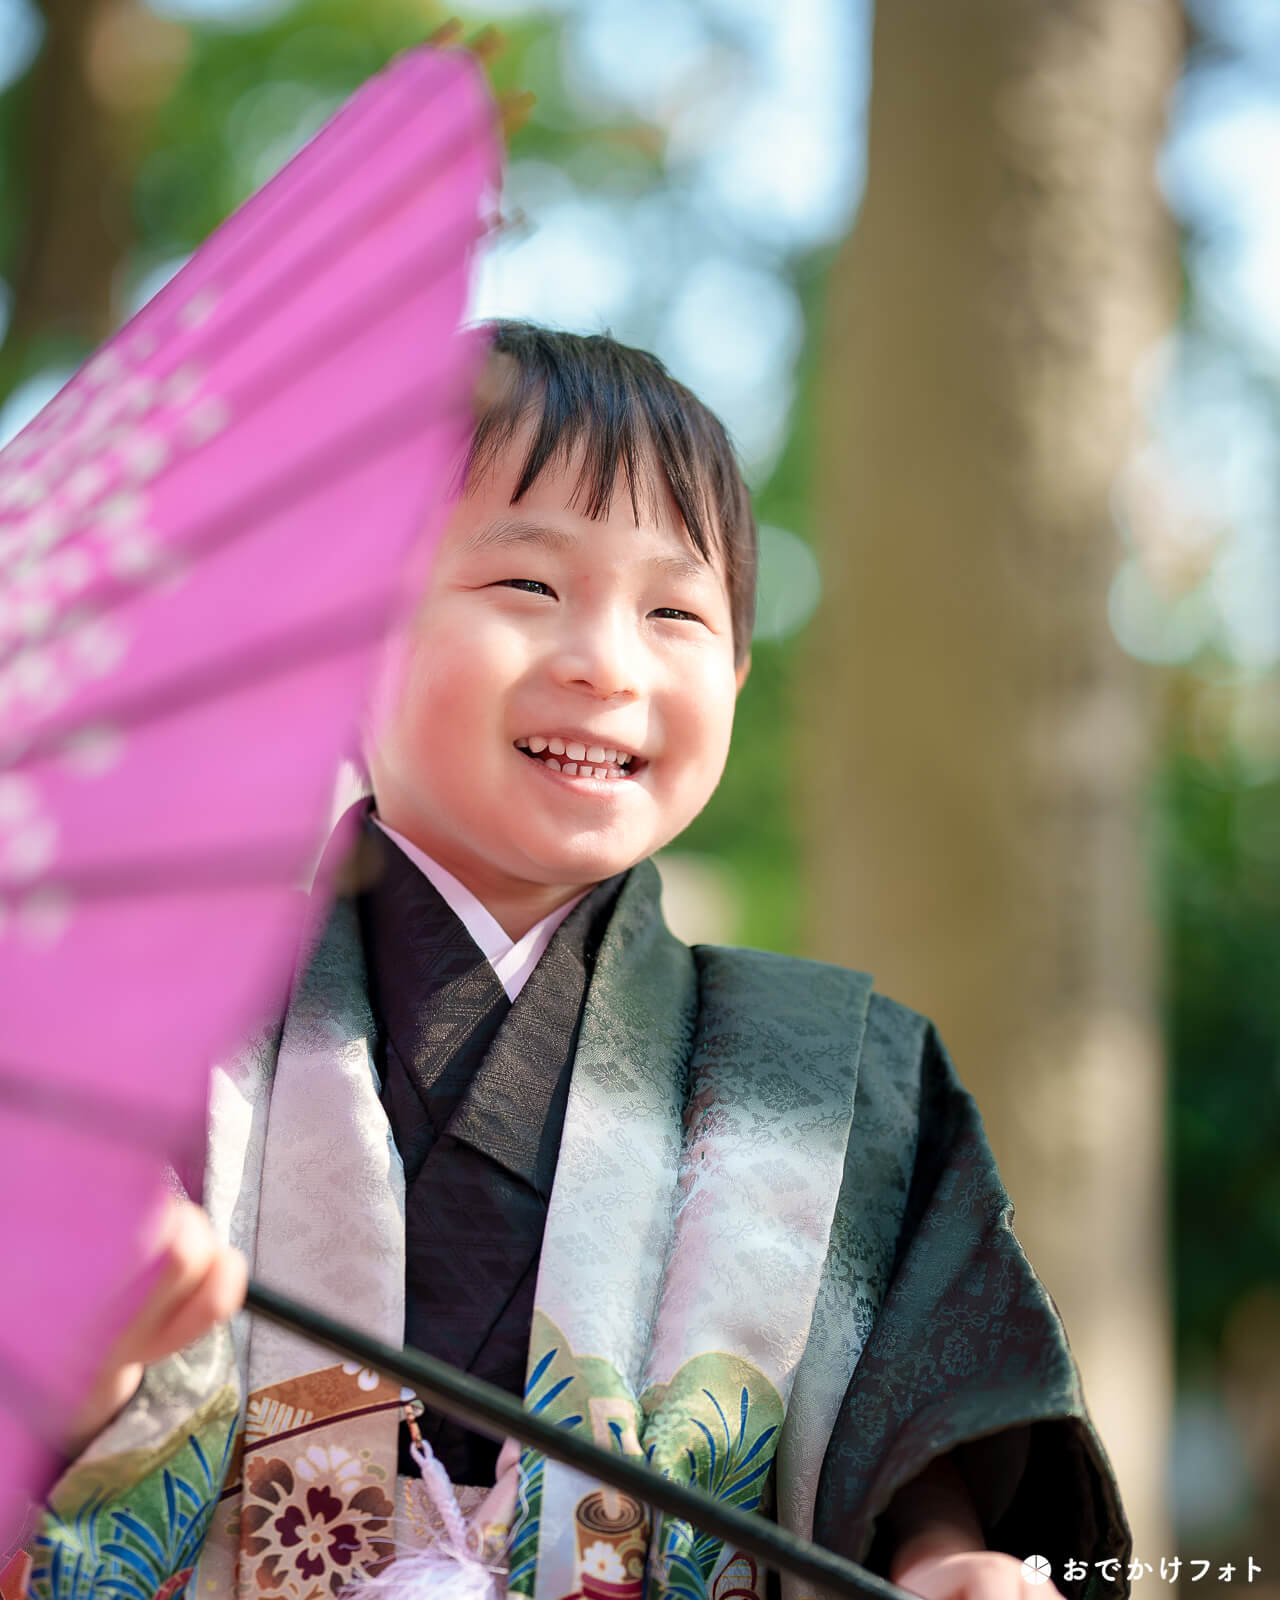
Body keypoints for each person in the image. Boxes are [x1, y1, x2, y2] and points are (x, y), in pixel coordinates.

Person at [14, 324, 1132, 1600]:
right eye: (526, 589)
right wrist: (87, 1368)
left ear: (737, 671)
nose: (608, 663)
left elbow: (921, 1425)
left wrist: (949, 1558)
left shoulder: (833, 1074)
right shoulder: (149, 1037)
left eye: (674, 612)